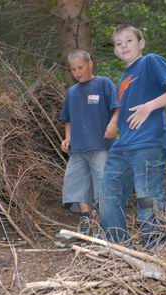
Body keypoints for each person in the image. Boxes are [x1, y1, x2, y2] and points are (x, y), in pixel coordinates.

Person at [99, 24, 166, 249]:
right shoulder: (124, 78)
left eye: (129, 40)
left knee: (147, 198)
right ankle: (120, 249)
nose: (123, 46)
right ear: (115, 51)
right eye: (118, 43)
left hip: (148, 143)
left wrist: (149, 107)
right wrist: (112, 123)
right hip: (123, 146)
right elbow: (124, 111)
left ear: (141, 43)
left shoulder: (150, 61)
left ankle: (156, 248)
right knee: (107, 198)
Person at [60, 49, 119, 235]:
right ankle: (86, 218)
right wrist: (68, 137)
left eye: (80, 67)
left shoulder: (103, 84)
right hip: (77, 148)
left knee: (102, 182)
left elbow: (118, 107)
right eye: (73, 69)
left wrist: (113, 124)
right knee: (74, 181)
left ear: (90, 64)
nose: (77, 72)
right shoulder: (72, 92)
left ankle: (105, 221)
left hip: (100, 145)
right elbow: (67, 118)